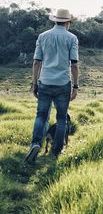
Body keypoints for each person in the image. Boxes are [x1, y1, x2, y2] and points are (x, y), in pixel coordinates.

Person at [25, 9, 79, 163]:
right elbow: (74, 64)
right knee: (62, 118)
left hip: (45, 82)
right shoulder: (72, 38)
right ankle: (56, 152)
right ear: (68, 22)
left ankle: (35, 144)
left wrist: (35, 84)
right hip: (63, 83)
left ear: (55, 21)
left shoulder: (42, 36)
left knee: (41, 115)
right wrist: (75, 86)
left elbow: (36, 62)